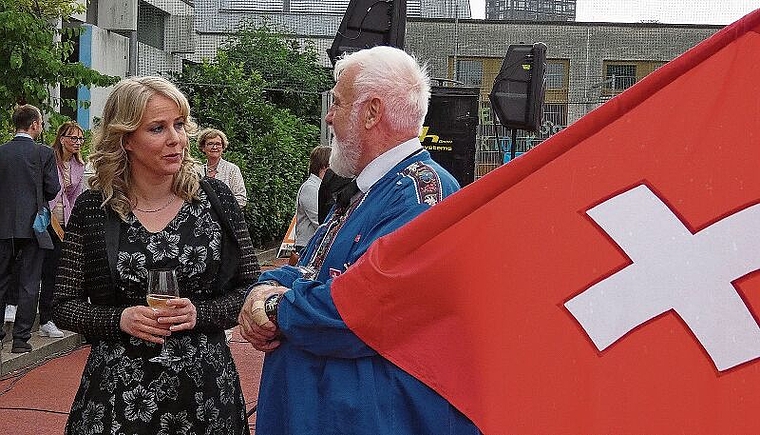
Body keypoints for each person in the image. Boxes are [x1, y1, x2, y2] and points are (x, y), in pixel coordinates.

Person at [238, 46, 480, 434]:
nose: (330, 117)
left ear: (371, 112)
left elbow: (362, 312)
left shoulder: (420, 193)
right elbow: (311, 270)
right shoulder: (372, 187)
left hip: (369, 418)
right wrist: (266, 288)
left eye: (337, 102)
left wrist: (274, 308)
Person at [52, 76, 259, 434]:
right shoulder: (93, 208)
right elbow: (63, 305)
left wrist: (202, 312)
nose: (175, 139)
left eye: (179, 124)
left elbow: (252, 288)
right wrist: (120, 319)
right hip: (118, 396)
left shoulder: (217, 200)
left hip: (206, 393)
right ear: (127, 139)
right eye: (157, 128)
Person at [0, 105, 60, 354]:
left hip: (3, 225)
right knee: (29, 281)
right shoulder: (43, 153)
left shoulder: (1, 152)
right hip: (33, 226)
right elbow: (52, 188)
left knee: (1, 281)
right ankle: (21, 339)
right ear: (34, 124)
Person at [38, 121, 88, 339]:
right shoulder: (50, 159)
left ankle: (47, 318)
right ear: (62, 139)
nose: (77, 143)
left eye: (80, 139)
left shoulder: (79, 165)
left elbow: (75, 197)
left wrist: (75, 225)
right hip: (43, 219)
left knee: (54, 271)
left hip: (63, 221)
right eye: (73, 138)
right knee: (33, 268)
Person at [197, 128, 247, 209]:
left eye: (218, 144)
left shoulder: (232, 169)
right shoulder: (197, 171)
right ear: (203, 147)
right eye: (210, 144)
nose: (214, 147)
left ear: (223, 147)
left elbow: (241, 199)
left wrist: (220, 209)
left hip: (226, 219)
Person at [294, 145, 331, 252]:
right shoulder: (310, 188)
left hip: (314, 244)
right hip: (307, 246)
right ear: (324, 166)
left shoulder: (321, 186)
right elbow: (319, 220)